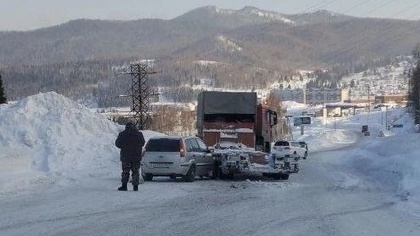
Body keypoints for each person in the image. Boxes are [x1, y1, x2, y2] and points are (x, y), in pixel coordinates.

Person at [115, 122, 145, 191]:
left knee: (125, 172)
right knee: (135, 171)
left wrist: (124, 146)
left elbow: (117, 144)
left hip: (126, 157)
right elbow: (142, 143)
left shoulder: (122, 134)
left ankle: (124, 186)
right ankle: (135, 186)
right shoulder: (139, 134)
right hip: (136, 157)